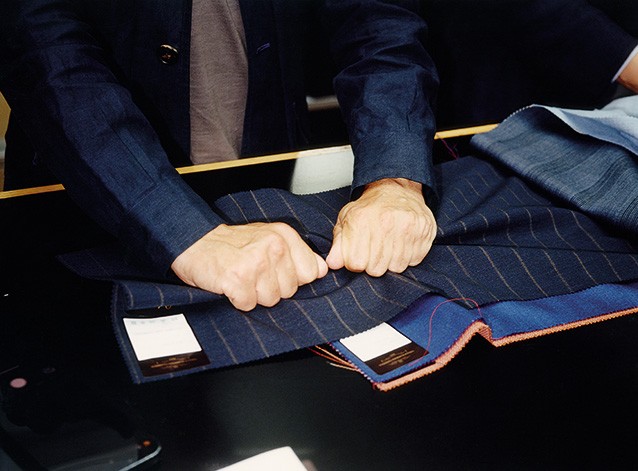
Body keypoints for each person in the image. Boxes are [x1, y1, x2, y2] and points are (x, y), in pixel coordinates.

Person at [0, 0, 439, 311]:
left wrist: (394, 177)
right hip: (88, 195)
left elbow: (376, 19)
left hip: (269, 179)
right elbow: (50, 62)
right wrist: (180, 228)